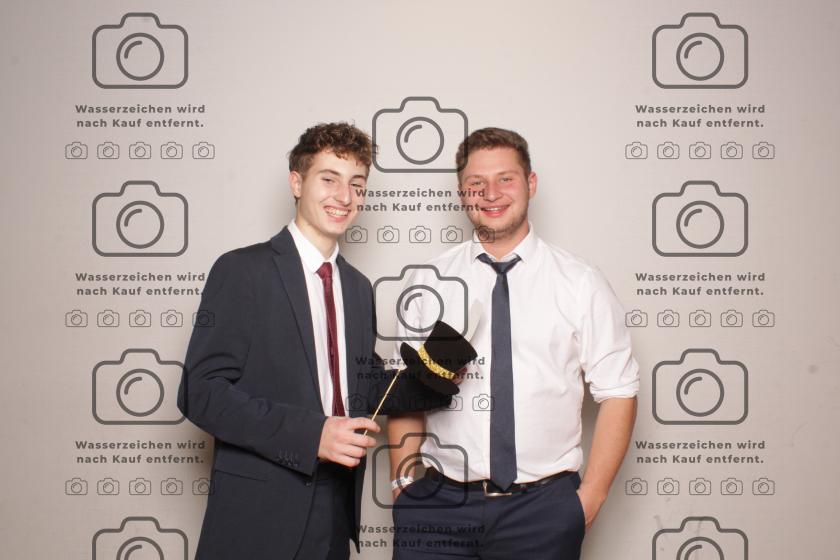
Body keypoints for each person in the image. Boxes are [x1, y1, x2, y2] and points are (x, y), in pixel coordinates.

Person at [177, 122, 457, 560]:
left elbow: (360, 388)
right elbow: (201, 393)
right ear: (297, 182)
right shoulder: (242, 271)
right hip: (257, 514)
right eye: (329, 179)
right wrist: (313, 435)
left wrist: (438, 376)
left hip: (334, 510)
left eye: (357, 184)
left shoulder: (357, 287)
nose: (344, 197)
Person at [387, 127, 640, 559]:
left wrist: (589, 499)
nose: (491, 194)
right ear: (461, 193)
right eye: (476, 183)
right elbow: (404, 393)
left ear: (530, 183)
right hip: (439, 506)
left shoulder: (579, 282)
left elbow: (619, 391)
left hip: (543, 509)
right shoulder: (428, 282)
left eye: (505, 179)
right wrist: (402, 485)